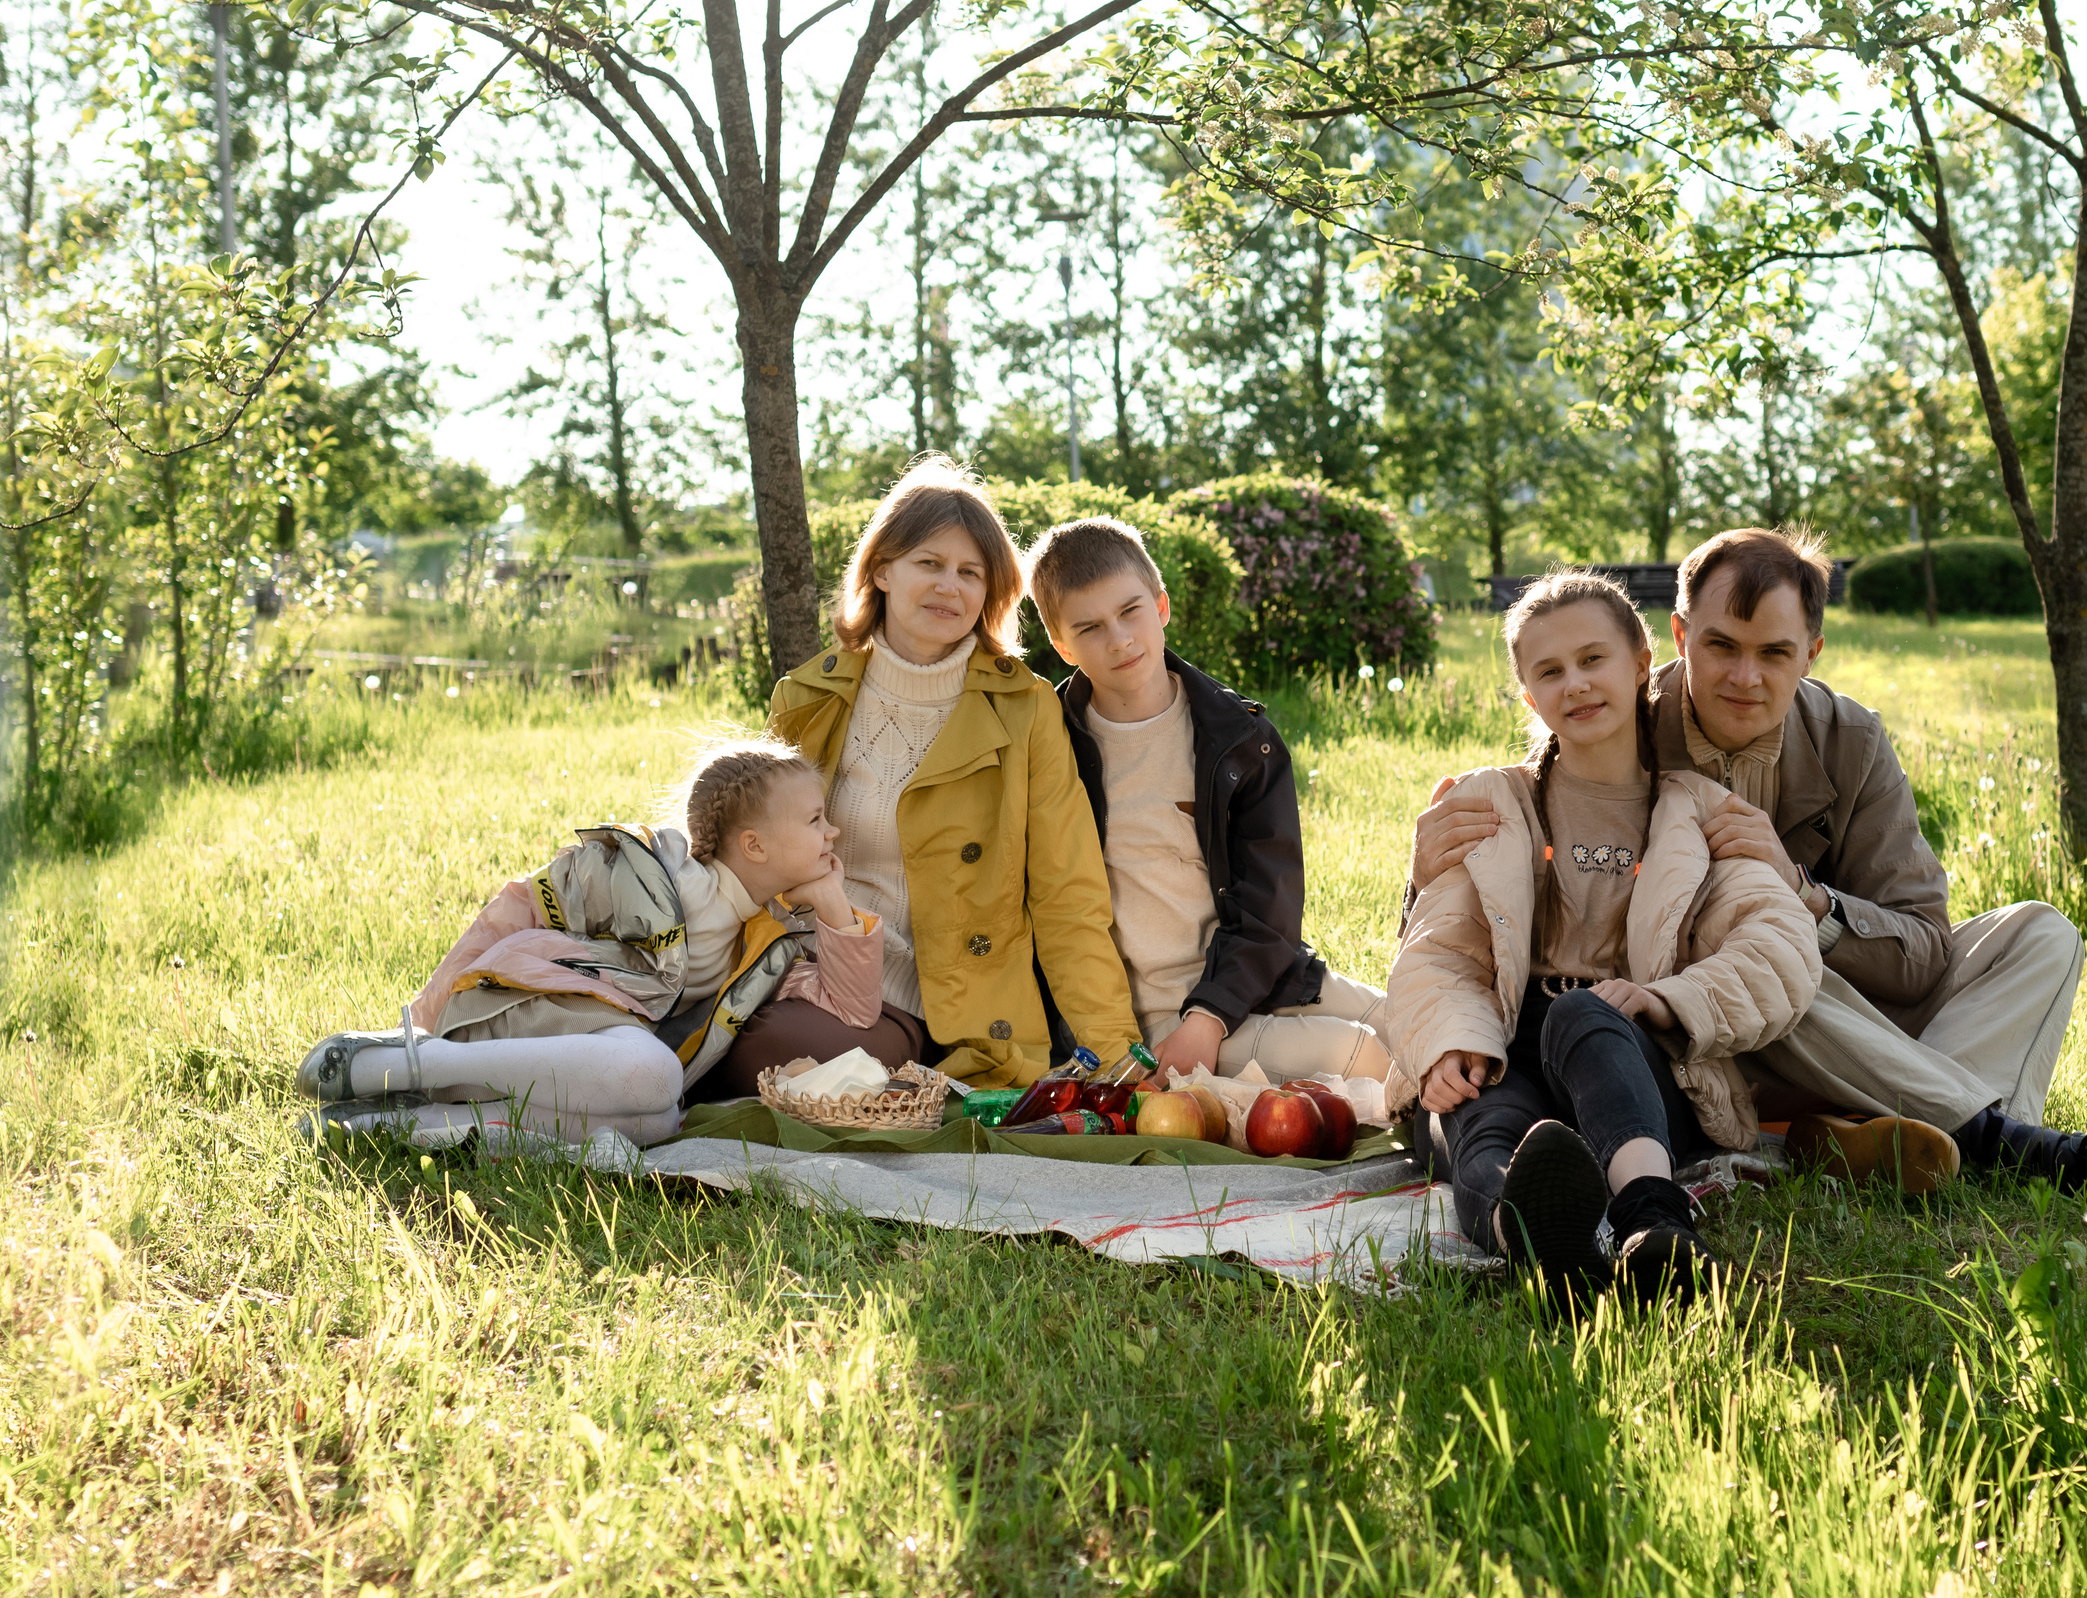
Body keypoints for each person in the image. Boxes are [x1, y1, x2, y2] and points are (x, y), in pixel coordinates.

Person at [1408, 528, 2087, 1201]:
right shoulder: (1615, 711)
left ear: (1812, 651)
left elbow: (1925, 955)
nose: (1746, 677)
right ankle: (1995, 1141)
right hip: (1706, 1027)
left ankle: (1866, 1131)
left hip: (1834, 1008)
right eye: (1721, 648)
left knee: (2039, 934)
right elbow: (1504, 896)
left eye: (1775, 652)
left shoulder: (1851, 741)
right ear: (1676, 639)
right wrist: (1422, 873)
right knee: (1771, 957)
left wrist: (1805, 894)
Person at [1389, 571, 1825, 1302]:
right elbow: (1437, 945)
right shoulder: (1496, 805)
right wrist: (1448, 1042)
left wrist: (1671, 998)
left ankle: (1654, 1227)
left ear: (1642, 663)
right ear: (1529, 696)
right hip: (1510, 1035)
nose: (1576, 685)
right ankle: (1532, 1238)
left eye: (1594, 659)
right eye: (1550, 671)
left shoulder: (1696, 812)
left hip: (1631, 1049)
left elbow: (1780, 943)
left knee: (1580, 1013)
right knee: (1477, 1118)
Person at [750, 457, 1142, 1093]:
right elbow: (754, 862)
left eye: (970, 573)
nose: (949, 588)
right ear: (881, 569)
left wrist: (1118, 1059)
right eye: (928, 564)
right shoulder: (806, 696)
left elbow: (1067, 895)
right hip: (801, 973)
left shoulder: (1025, 708)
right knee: (719, 1043)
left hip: (937, 1004)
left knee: (774, 1057)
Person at [297, 739, 883, 1145]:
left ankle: (418, 1125)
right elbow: (520, 904)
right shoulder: (656, 874)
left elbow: (854, 1009)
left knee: (656, 1118)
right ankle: (406, 1065)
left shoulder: (766, 943)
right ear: (754, 845)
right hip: (519, 1018)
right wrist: (429, 1014)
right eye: (815, 820)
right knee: (654, 1076)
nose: (833, 831)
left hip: (592, 1060)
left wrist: (832, 903)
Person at [1026, 516, 1404, 1097]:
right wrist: (1192, 1025)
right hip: (1154, 1017)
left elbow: (1269, 903)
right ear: (1061, 645)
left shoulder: (1238, 738)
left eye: (1131, 612)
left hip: (1259, 977)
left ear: (1161, 606)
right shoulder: (1050, 748)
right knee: (1361, 1054)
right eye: (1091, 627)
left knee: (1412, 1023)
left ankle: (1524, 1124)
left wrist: (1213, 1013)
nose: (1121, 638)